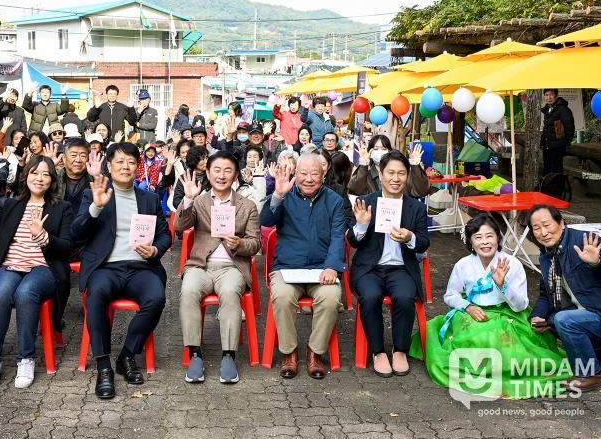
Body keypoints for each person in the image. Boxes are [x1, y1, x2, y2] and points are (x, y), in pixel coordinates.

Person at [410, 213, 570, 398]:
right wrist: (467, 307)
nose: (484, 242)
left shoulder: (513, 264)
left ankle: (501, 382)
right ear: (470, 241)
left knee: (497, 341)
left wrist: (503, 286)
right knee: (470, 338)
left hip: (507, 314)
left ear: (498, 238)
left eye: (489, 236)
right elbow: (450, 295)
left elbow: (520, 305)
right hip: (472, 312)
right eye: (478, 237)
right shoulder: (463, 265)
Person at [71, 143, 172, 399]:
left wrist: (156, 251)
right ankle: (103, 365)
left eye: (130, 162)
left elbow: (165, 234)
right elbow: (76, 233)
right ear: (109, 165)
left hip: (140, 268)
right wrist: (96, 207)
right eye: (119, 162)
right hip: (106, 267)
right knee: (96, 295)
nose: (125, 167)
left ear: (137, 166)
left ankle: (126, 355)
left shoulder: (148, 198)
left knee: (156, 298)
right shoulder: (95, 193)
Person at [0, 155, 74, 389]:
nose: (39, 178)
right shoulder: (12, 204)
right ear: (26, 175)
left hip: (43, 268)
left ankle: (26, 359)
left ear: (52, 179)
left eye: (45, 174)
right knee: (2, 291)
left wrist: (44, 237)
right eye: (34, 173)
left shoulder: (61, 208)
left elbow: (68, 246)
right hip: (11, 265)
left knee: (26, 292)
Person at [176, 152, 261, 383]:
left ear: (235, 175)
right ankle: (194, 354)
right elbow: (179, 226)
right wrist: (188, 200)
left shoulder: (247, 205)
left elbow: (255, 243)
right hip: (201, 266)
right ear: (209, 172)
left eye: (227, 171)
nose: (221, 175)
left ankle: (228, 355)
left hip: (231, 267)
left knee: (231, 292)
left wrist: (239, 243)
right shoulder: (200, 201)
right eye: (217, 170)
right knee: (188, 291)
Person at [260, 153, 346, 379]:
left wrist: (332, 267)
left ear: (324, 174)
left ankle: (315, 352)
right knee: (282, 296)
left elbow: (339, 236)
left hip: (321, 269)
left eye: (314, 174)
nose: (309, 179)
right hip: (288, 267)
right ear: (295, 173)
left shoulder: (335, 201)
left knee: (330, 297)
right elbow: (266, 222)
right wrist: (277, 195)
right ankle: (289, 353)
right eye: (303, 173)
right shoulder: (284, 195)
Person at [348, 150, 429, 378]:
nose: (396, 178)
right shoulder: (366, 203)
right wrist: (362, 226)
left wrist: (410, 237)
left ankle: (400, 349)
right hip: (369, 269)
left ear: (407, 176)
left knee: (405, 297)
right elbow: (352, 240)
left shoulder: (416, 207)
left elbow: (423, 242)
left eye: (401, 173)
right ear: (381, 175)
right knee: (371, 296)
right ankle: (378, 352)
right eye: (391, 173)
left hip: (401, 268)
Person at [528, 204, 601, 392]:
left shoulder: (584, 241)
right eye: (536, 228)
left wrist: (598, 262)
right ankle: (598, 352)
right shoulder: (547, 256)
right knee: (551, 321)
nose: (543, 232)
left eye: (547, 225)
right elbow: (546, 294)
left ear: (561, 223)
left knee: (563, 320)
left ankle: (591, 373)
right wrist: (537, 316)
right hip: (584, 313)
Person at [348, 136, 430, 198]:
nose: (379, 152)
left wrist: (415, 165)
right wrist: (363, 164)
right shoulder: (366, 174)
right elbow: (355, 190)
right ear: (370, 152)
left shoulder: (402, 172)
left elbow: (422, 191)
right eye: (376, 149)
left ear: (389, 151)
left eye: (383, 148)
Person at [540, 88, 575, 175]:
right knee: (548, 170)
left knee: (556, 172)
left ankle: (556, 188)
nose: (549, 97)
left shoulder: (563, 109)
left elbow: (570, 128)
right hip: (548, 146)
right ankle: (548, 188)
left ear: (556, 95)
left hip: (558, 147)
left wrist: (565, 143)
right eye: (546, 95)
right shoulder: (547, 109)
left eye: (551, 95)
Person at [173, 145, 210, 209]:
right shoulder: (185, 177)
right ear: (194, 160)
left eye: (207, 158)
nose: (206, 161)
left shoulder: (212, 175)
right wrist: (189, 199)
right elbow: (176, 202)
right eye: (202, 159)